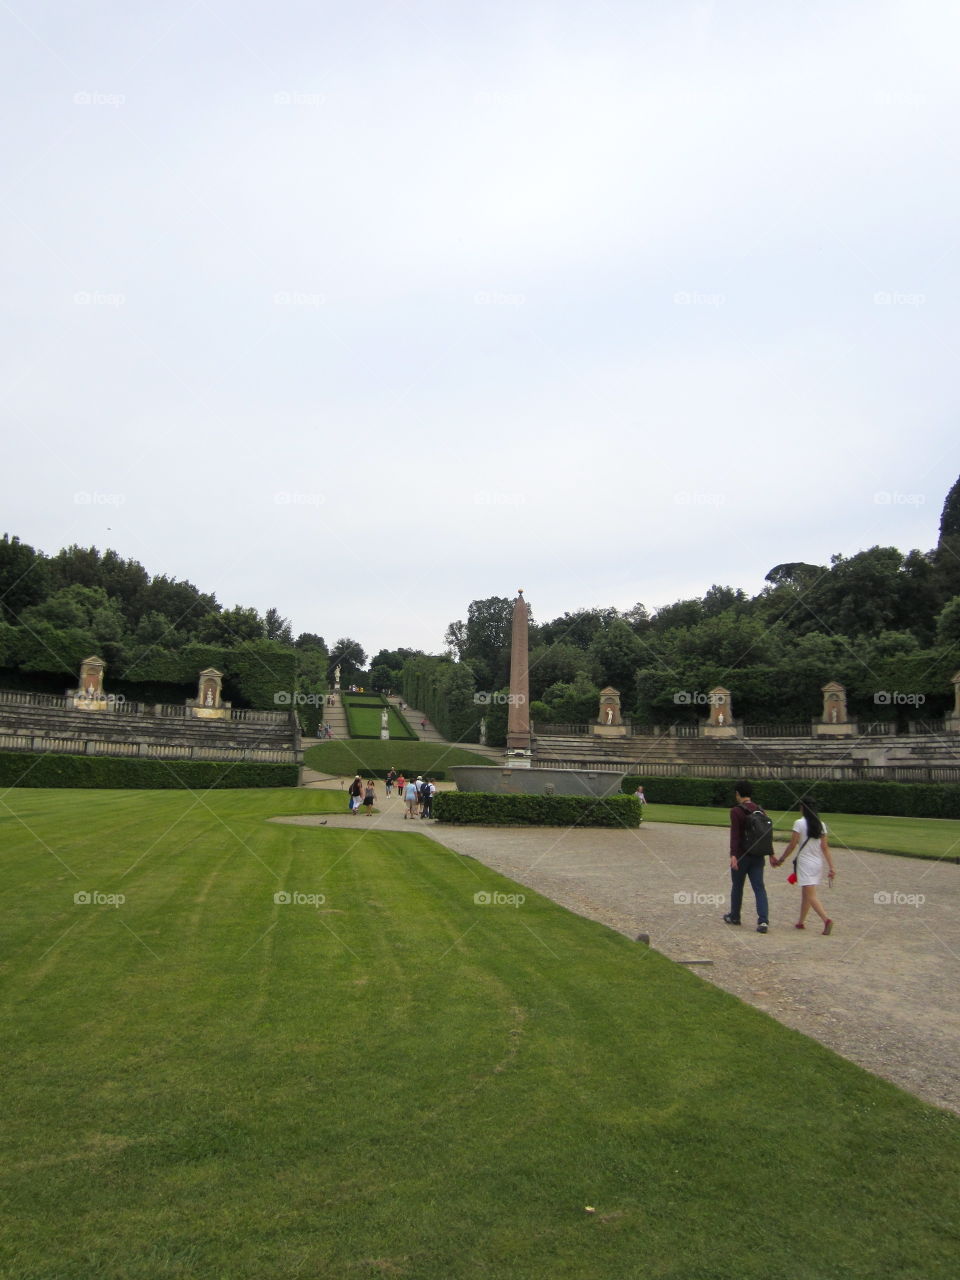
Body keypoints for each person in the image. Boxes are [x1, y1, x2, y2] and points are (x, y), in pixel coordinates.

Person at [773, 796, 836, 934]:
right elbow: (825, 847)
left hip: (805, 862)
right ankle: (801, 922)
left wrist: (782, 859)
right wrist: (831, 867)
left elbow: (792, 844)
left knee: (811, 895)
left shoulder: (799, 823)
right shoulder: (821, 824)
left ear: (803, 808)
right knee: (806, 893)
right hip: (817, 862)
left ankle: (826, 920)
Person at [723, 780, 773, 933]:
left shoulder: (736, 811)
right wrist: (771, 853)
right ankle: (763, 920)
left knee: (737, 886)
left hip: (742, 855)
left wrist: (733, 854)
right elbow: (767, 834)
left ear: (738, 794)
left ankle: (735, 916)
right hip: (758, 854)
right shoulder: (760, 810)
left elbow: (735, 835)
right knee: (759, 887)